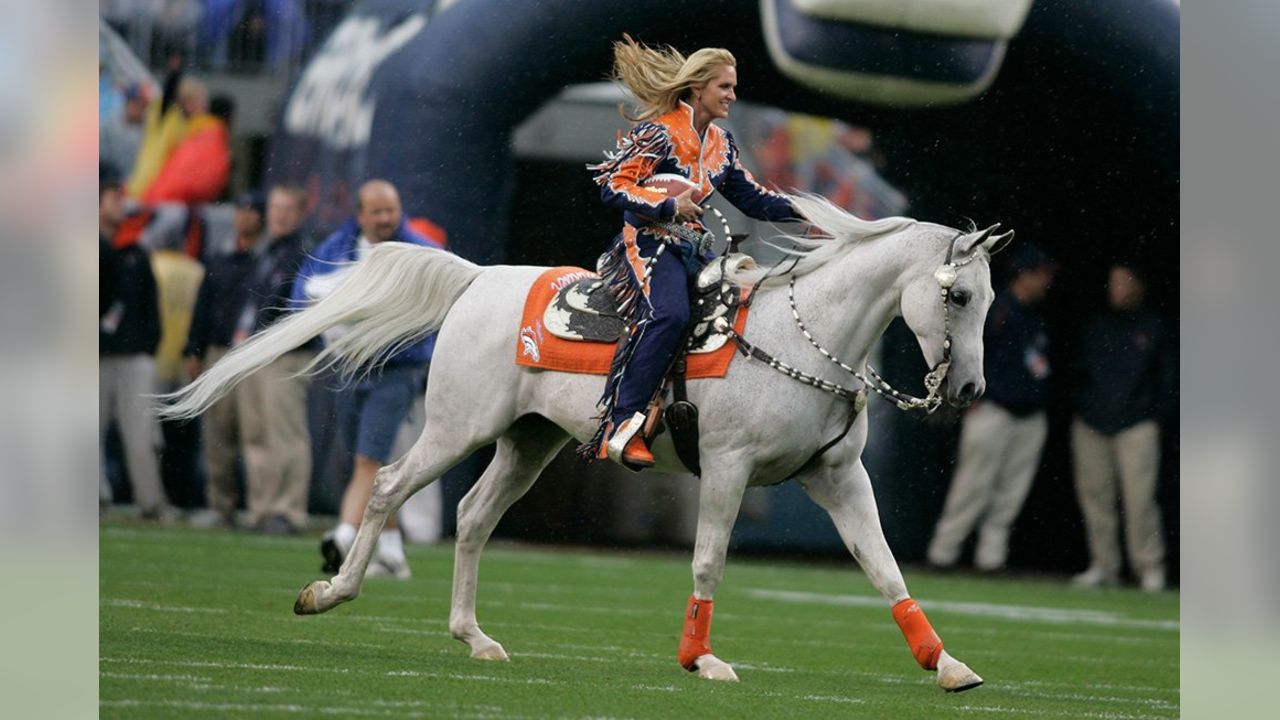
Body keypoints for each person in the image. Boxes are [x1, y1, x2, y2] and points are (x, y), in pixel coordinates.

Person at [584, 34, 802, 468]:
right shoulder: (659, 132)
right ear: (698, 87)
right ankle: (622, 423)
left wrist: (809, 209)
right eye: (724, 87)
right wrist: (667, 204)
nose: (732, 96)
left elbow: (755, 200)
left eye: (733, 87)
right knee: (670, 314)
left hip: (693, 249)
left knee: (736, 309)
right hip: (644, 243)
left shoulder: (723, 144)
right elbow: (612, 185)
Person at [292, 180, 442, 578]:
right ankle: (391, 552)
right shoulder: (337, 249)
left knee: (368, 460)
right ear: (360, 215)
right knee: (376, 463)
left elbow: (447, 300)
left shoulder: (422, 250)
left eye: (390, 210)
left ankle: (343, 536)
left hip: (397, 369)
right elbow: (302, 292)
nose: (385, 219)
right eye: (376, 212)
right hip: (350, 366)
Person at [926, 246, 1057, 572]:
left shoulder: (1037, 316)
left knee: (1010, 493)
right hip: (993, 410)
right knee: (972, 486)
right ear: (1023, 276)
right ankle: (943, 554)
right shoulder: (996, 310)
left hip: (1030, 416)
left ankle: (991, 560)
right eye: (1041, 275)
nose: (1046, 283)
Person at [1071, 262, 1176, 591]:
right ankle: (1104, 566)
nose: (1118, 288)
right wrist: (1084, 408)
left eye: (1124, 282)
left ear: (1139, 286)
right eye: (1113, 282)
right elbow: (1079, 373)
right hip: (1092, 425)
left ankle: (1149, 568)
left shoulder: (1155, 328)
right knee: (1095, 498)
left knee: (1140, 500)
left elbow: (1168, 379)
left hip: (1137, 425)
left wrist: (1156, 417)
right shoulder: (1097, 327)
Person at [183, 191, 266, 528]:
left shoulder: (265, 260)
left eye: (250, 212)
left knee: (255, 433)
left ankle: (262, 509)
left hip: (253, 353)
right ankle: (221, 505)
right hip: (218, 351)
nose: (243, 217)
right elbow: (201, 308)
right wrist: (194, 349)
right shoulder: (219, 259)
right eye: (240, 211)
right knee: (217, 434)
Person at [237, 184, 316, 534]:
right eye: (275, 208)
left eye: (287, 209)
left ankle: (289, 510)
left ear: (299, 213)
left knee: (286, 433)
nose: (280, 215)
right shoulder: (267, 251)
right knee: (256, 434)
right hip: (258, 352)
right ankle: (261, 509)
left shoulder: (304, 253)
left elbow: (294, 307)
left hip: (286, 354)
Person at [99, 162, 171, 519]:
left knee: (141, 436)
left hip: (132, 355)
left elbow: (150, 306)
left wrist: (148, 348)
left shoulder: (135, 251)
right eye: (113, 197)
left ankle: (151, 503)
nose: (120, 204)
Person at [100, 82, 149, 179]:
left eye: (142, 105)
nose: (138, 108)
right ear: (128, 102)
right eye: (135, 103)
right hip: (109, 179)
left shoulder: (148, 130)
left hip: (134, 183)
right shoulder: (111, 124)